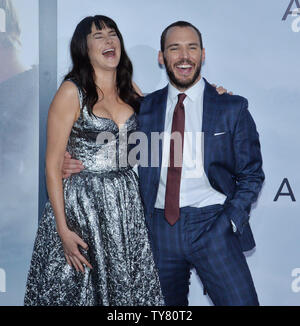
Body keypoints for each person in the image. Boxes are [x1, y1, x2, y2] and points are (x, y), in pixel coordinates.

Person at [62, 21, 247, 306]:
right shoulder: (144, 107)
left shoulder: (229, 105)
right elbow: (120, 150)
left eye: (192, 47)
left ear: (203, 54)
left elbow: (251, 174)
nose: (184, 56)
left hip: (214, 224)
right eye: (175, 48)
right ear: (162, 57)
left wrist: (231, 220)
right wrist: (77, 162)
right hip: (158, 229)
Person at [24, 15, 164, 306]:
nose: (109, 40)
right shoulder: (70, 92)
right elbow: (52, 166)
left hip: (125, 204)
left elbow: (167, 115)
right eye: (98, 36)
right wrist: (63, 230)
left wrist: (212, 94)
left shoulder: (132, 90)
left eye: (113, 34)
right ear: (83, 48)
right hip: (82, 208)